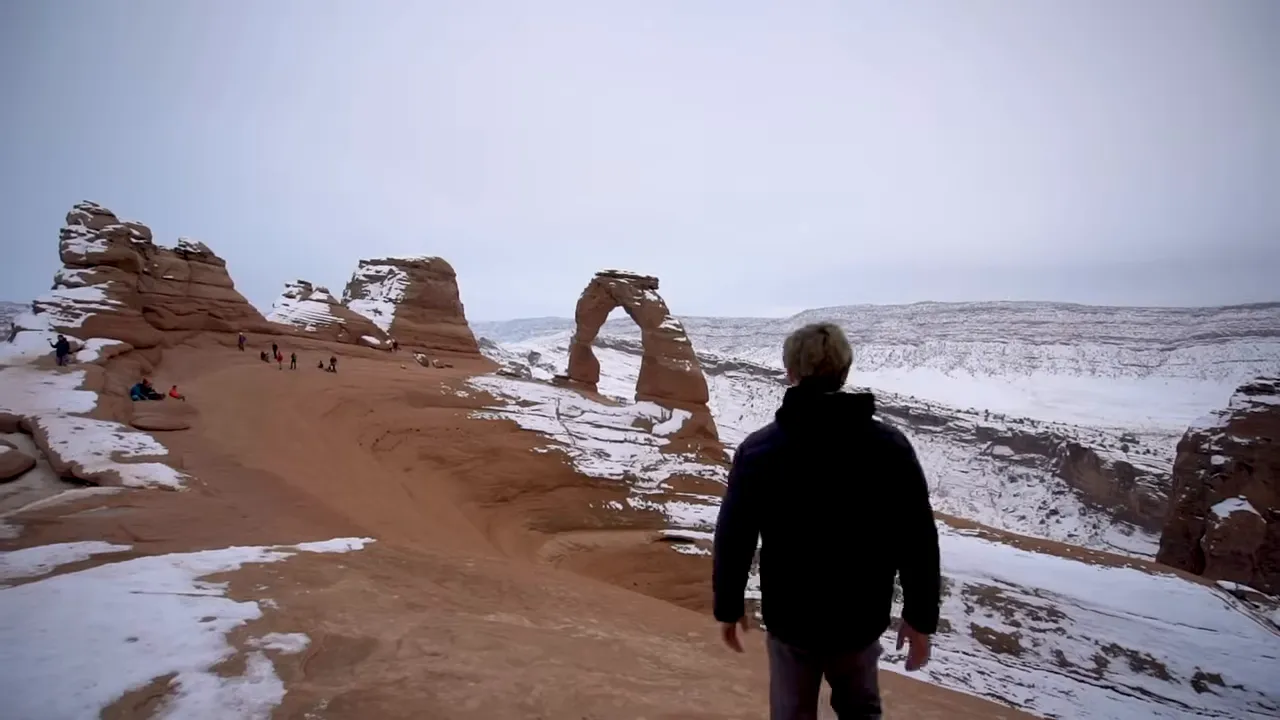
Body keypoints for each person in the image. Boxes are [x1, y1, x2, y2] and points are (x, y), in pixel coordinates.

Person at [712, 323, 940, 720]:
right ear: (844, 372)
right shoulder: (889, 448)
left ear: (790, 372)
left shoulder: (761, 450)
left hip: (791, 619)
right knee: (861, 711)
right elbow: (917, 538)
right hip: (860, 619)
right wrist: (920, 619)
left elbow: (735, 536)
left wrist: (729, 606)